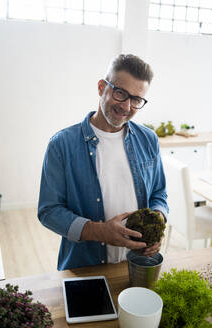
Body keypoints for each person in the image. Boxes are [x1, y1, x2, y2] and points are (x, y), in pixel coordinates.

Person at [38, 54, 168, 270]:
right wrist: (100, 231)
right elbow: (49, 211)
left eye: (136, 99)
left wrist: (158, 222)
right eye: (120, 93)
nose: (127, 106)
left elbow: (159, 193)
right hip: (84, 268)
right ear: (101, 88)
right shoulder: (62, 145)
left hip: (137, 264)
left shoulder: (149, 139)